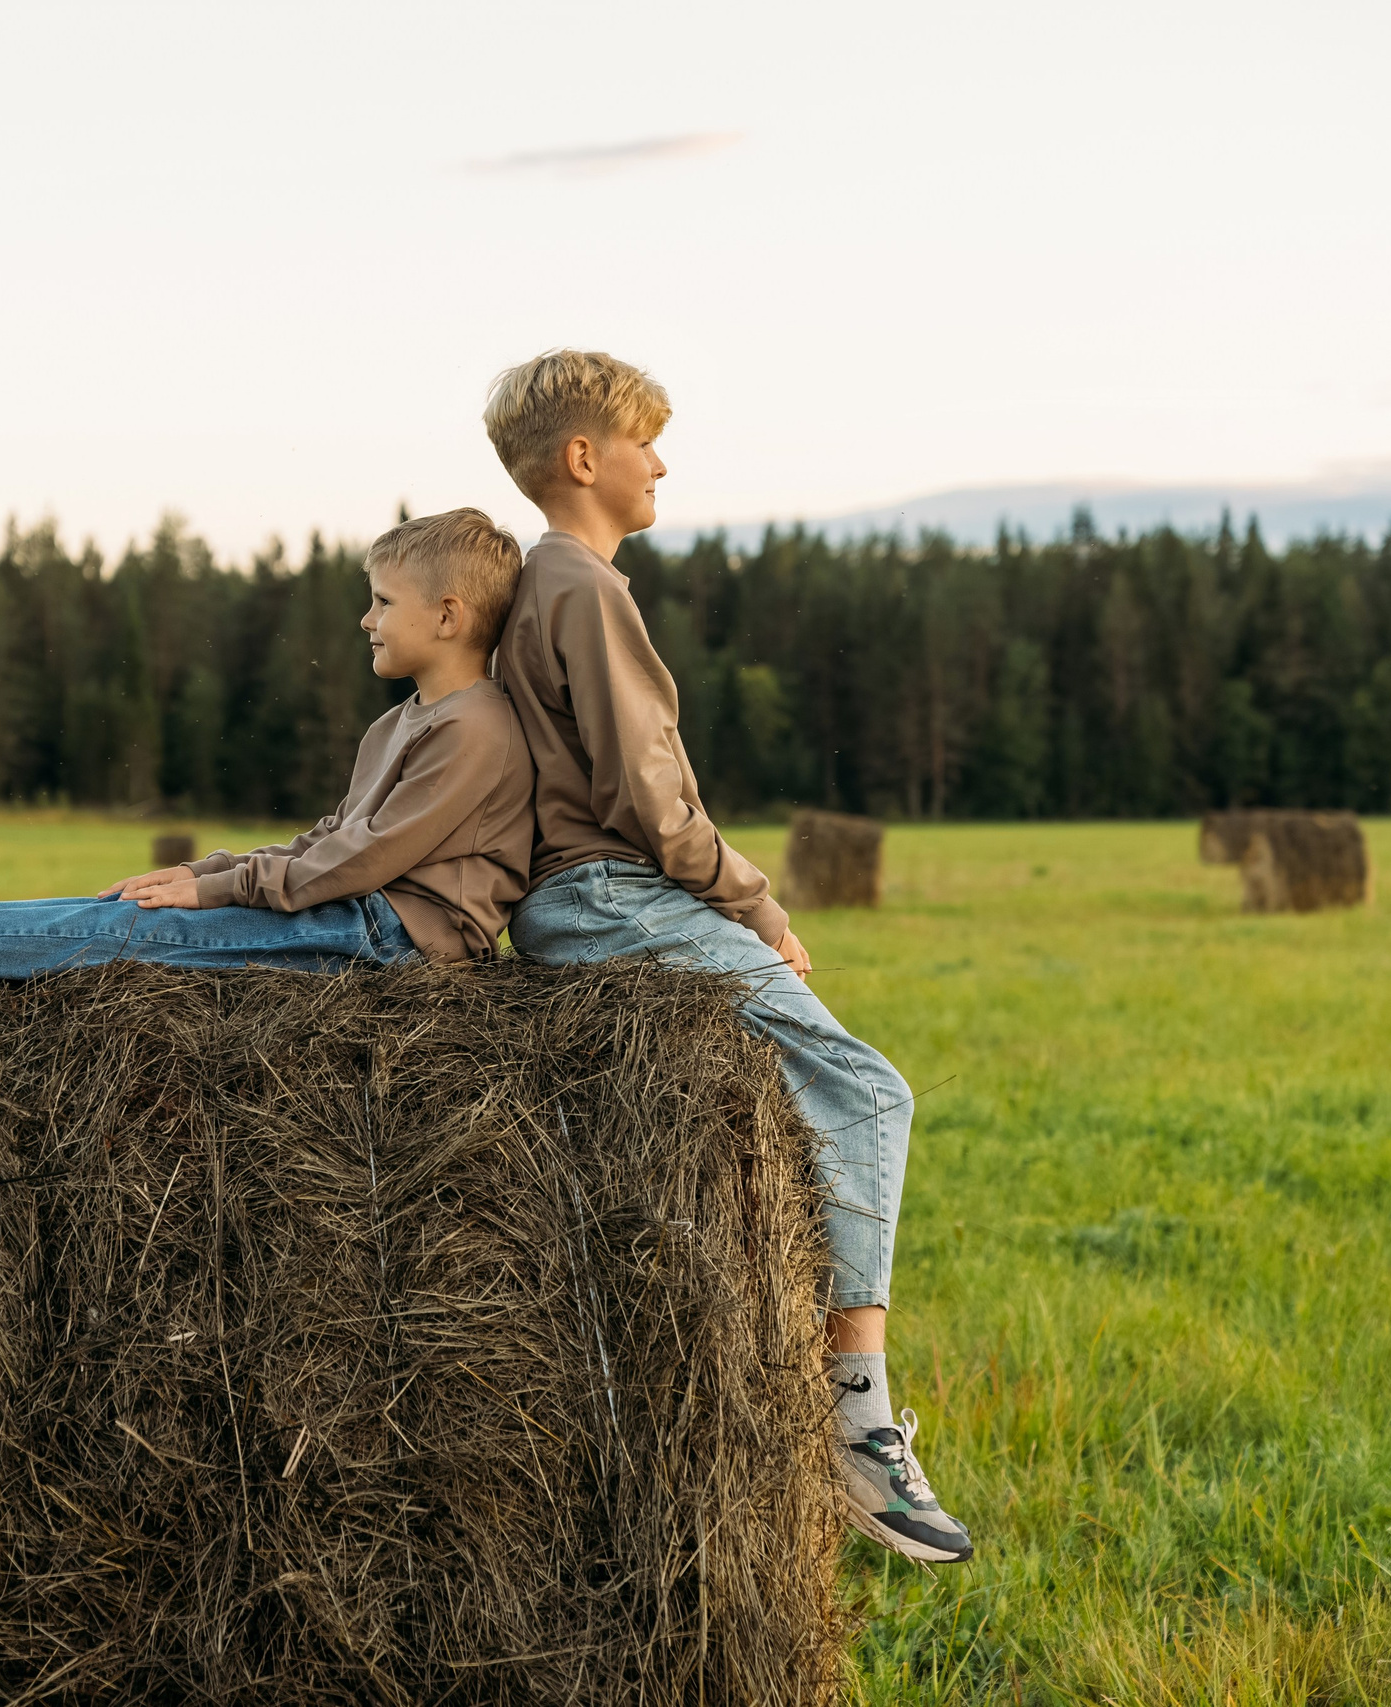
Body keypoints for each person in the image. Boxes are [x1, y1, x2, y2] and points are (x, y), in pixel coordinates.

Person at [482, 349, 972, 1565]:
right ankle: (854, 1422)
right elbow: (648, 793)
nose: (661, 463)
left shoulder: (540, 588)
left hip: (572, 903)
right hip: (610, 899)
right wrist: (754, 903)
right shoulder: (584, 588)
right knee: (866, 1090)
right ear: (583, 461)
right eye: (645, 441)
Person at [0, 508, 535, 981]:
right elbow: (332, 837)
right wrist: (207, 870)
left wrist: (217, 890)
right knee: (133, 909)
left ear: (448, 616)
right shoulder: (401, 721)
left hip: (394, 944)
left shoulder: (476, 728)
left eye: (384, 601)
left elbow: (363, 860)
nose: (364, 618)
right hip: (359, 917)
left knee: (150, 937)